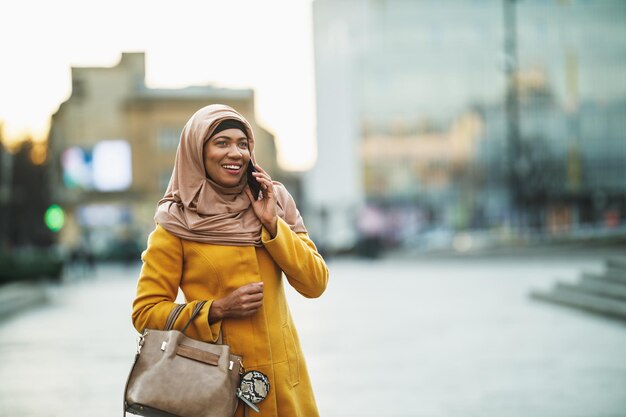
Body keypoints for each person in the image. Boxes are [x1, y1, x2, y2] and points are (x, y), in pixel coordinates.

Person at [131, 104, 329, 417]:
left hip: (285, 387)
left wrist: (274, 225)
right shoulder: (175, 224)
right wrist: (218, 309)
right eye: (221, 143)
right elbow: (145, 313)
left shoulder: (273, 200)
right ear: (197, 151)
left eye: (243, 143)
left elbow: (315, 283)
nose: (235, 153)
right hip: (220, 390)